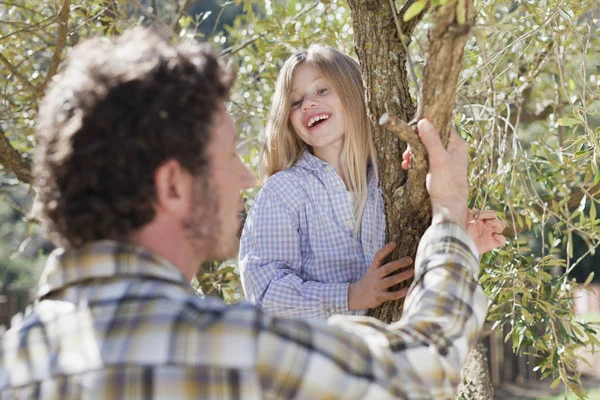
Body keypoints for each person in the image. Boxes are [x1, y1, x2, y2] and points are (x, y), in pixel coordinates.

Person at [0, 28, 485, 399]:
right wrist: (448, 214)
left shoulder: (13, 366)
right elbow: (425, 368)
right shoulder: (235, 353)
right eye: (228, 157)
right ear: (172, 186)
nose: (247, 178)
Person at [239, 44, 506, 319]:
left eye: (322, 90)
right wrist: (351, 295)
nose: (308, 104)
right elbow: (265, 294)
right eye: (296, 102)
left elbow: (421, 270)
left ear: (355, 93)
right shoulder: (283, 191)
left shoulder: (390, 182)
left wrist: (460, 242)